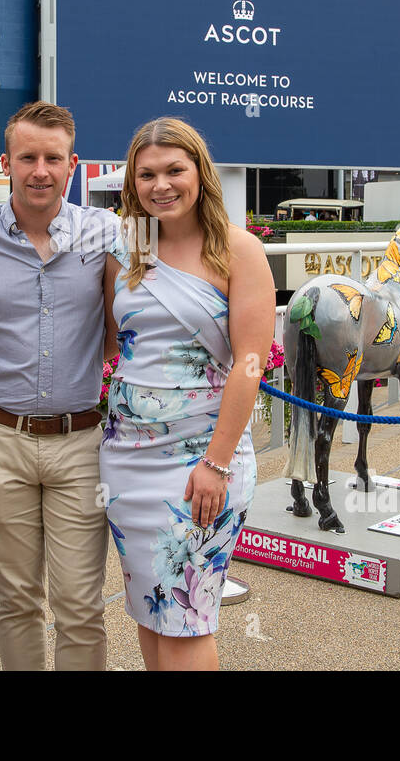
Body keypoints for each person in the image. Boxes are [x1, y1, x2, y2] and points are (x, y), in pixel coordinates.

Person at [0, 101, 118, 670]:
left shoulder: (105, 231)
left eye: (53, 158)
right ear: (6, 163)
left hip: (81, 444)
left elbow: (134, 320)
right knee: (15, 601)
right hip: (1, 441)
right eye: (28, 157)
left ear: (73, 165)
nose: (40, 169)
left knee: (81, 604)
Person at [102, 117, 274, 671]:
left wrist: (216, 463)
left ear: (201, 172)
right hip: (126, 461)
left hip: (203, 462)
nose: (162, 185)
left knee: (185, 618)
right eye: (147, 174)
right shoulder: (125, 250)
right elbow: (111, 345)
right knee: (150, 611)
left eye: (175, 170)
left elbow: (251, 362)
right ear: (132, 182)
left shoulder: (239, 250)